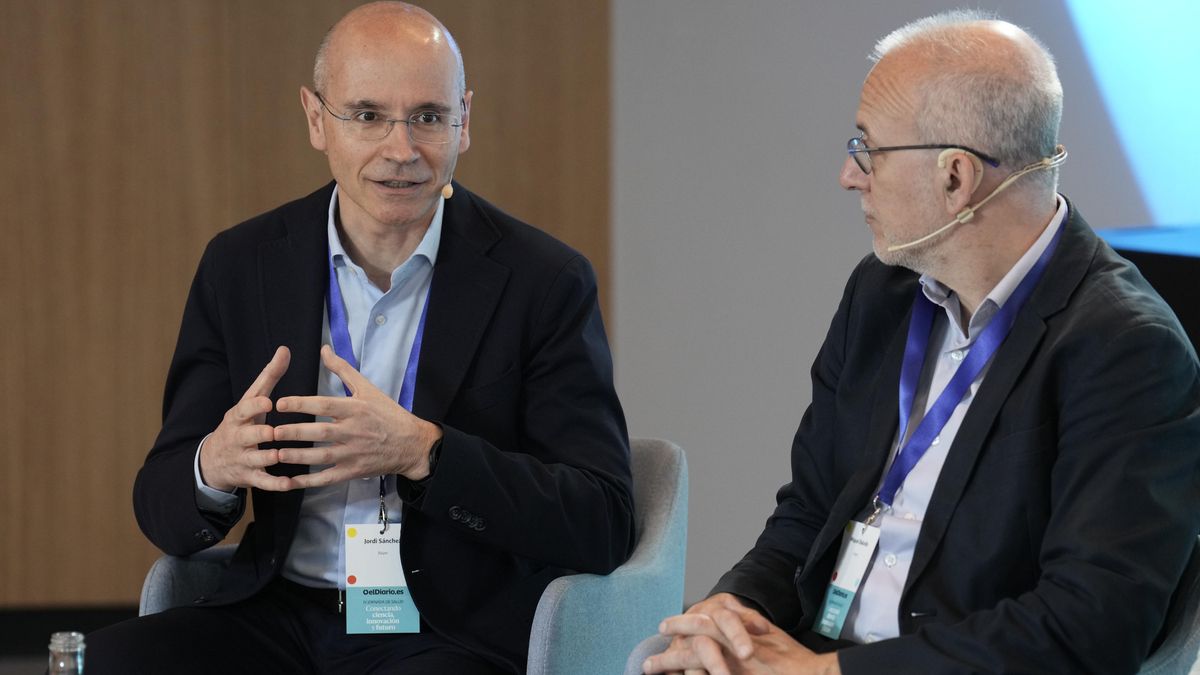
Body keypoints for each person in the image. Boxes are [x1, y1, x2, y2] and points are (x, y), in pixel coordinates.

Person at [644, 10, 1200, 675]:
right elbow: (811, 512)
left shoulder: (1126, 348)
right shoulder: (881, 294)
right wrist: (729, 612)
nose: (850, 176)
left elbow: (1087, 626)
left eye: (867, 149)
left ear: (955, 176)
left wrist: (828, 673)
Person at [89, 2, 633, 673]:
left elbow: (601, 518)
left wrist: (426, 452)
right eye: (368, 115)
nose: (400, 150)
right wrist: (214, 467)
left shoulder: (543, 281)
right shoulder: (243, 265)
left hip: (446, 629)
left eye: (428, 117)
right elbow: (161, 503)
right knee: (108, 661)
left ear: (465, 121)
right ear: (317, 119)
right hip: (278, 611)